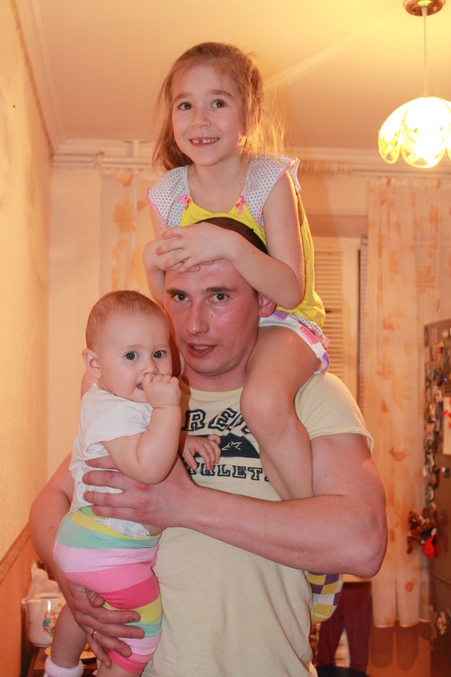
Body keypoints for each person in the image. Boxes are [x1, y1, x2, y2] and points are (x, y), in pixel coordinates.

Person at [30, 255, 387, 676]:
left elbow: (363, 543)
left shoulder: (305, 395)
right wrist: (72, 581)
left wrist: (186, 505)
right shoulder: (133, 398)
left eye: (219, 296)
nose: (194, 324)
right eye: (180, 297)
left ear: (263, 301)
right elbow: (53, 498)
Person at [143, 41, 328, 503]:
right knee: (127, 376)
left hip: (284, 323)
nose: (199, 120)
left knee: (261, 403)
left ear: (251, 117)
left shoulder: (268, 180)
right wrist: (150, 263)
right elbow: (171, 296)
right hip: (218, 322)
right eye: (185, 105)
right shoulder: (168, 195)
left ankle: (309, 522)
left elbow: (290, 289)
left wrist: (227, 243)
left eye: (218, 103)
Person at [44, 291, 219, 677]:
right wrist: (169, 409)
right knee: (138, 631)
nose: (149, 368)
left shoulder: (111, 401)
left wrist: (179, 439)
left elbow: (141, 437)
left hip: (88, 540)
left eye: (159, 353)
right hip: (109, 547)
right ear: (94, 364)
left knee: (88, 608)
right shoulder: (114, 411)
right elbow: (147, 467)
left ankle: (60, 668)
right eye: (131, 356)